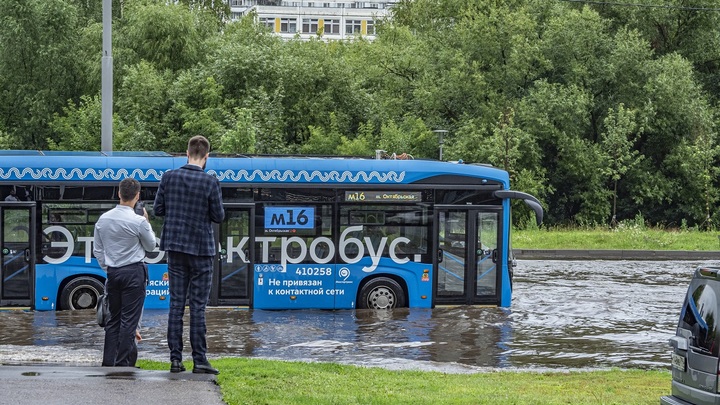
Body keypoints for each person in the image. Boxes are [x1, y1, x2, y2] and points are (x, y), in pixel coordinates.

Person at [154, 135, 225, 374]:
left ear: (186, 153)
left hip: (175, 248)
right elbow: (219, 216)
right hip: (201, 250)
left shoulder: (168, 177)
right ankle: (200, 360)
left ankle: (175, 360)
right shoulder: (210, 182)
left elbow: (158, 210)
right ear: (206, 157)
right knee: (197, 307)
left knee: (176, 305)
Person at [93, 178, 156, 367]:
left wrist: (109, 268)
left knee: (113, 320)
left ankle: (108, 363)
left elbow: (98, 250)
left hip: (113, 273)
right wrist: (146, 221)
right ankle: (123, 364)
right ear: (137, 196)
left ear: (119, 194)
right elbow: (151, 245)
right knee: (130, 321)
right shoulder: (138, 222)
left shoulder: (103, 219)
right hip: (134, 273)